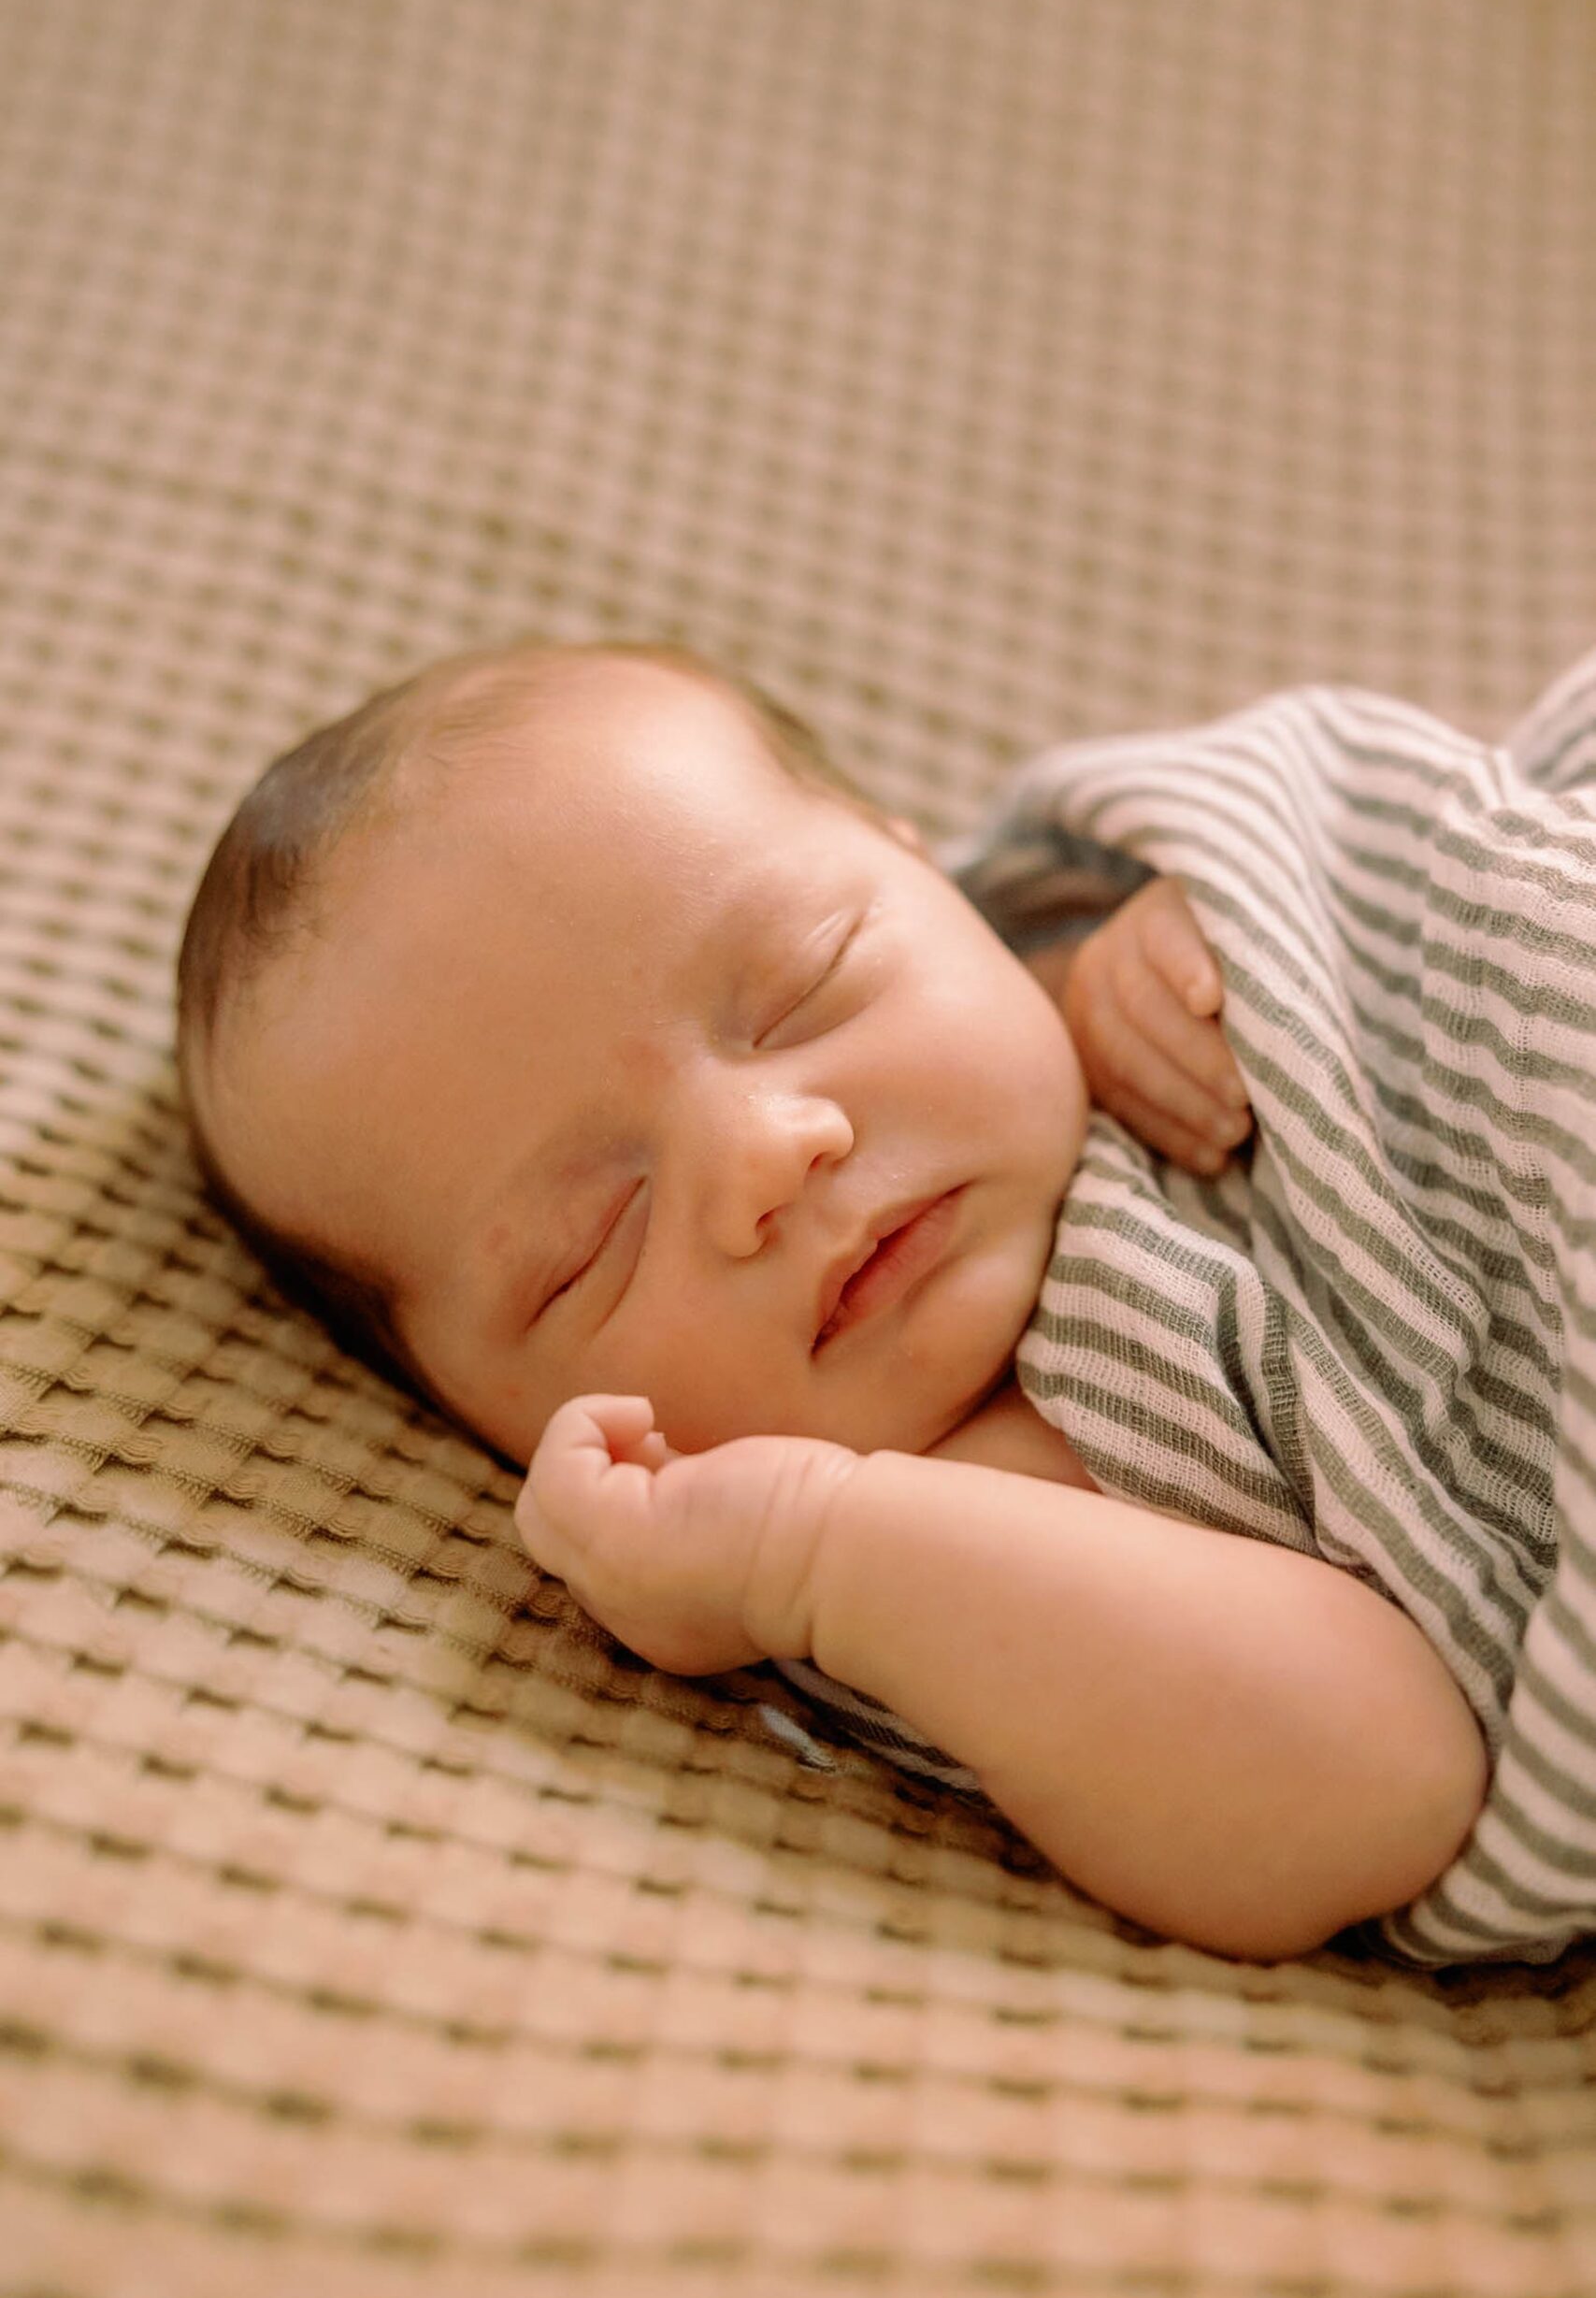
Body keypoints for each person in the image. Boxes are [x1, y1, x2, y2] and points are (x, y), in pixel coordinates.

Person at [176, 636, 1488, 1963]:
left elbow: (1352, 842)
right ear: (485, 1422)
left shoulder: (1062, 958)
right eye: (596, 1242)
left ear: (923, 866)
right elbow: (1394, 1780)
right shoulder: (947, 1547)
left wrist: (1219, 925)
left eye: (809, 989)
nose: (766, 1150)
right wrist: (811, 1554)